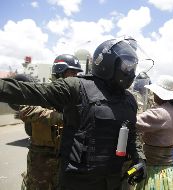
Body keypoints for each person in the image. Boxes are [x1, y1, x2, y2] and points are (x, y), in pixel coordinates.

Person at [0, 37, 146, 190]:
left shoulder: (129, 99)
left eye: (133, 66)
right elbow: (31, 91)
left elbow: (132, 134)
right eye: (127, 65)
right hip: (78, 182)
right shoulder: (76, 87)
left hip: (114, 181)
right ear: (109, 63)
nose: (130, 71)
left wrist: (140, 159)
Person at [16, 54, 83, 190]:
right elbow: (25, 110)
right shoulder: (45, 91)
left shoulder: (75, 95)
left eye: (77, 73)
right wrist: (58, 117)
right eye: (72, 72)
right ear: (60, 72)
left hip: (65, 157)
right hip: (42, 158)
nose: (75, 77)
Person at [134, 75, 173, 190]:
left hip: (156, 171)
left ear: (161, 95)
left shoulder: (160, 113)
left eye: (155, 92)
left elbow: (132, 123)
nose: (153, 95)